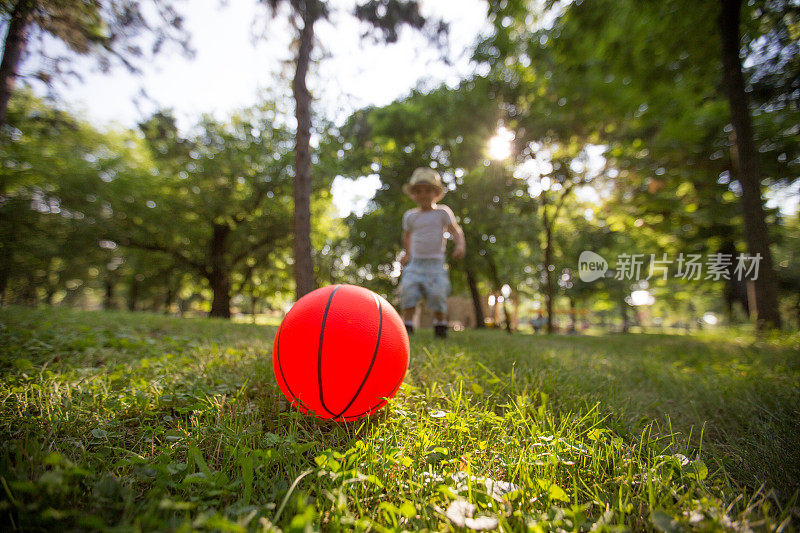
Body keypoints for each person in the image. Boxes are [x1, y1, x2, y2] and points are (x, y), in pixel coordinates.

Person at [398, 167, 465, 338]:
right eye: (418, 191)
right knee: (408, 290)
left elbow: (455, 230)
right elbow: (407, 236)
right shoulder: (410, 216)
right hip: (415, 263)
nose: (423, 194)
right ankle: (408, 325)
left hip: (436, 264)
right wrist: (407, 253)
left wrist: (459, 245)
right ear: (413, 194)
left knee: (437, 294)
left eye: (428, 190)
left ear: (436, 193)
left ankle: (440, 325)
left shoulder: (442, 213)